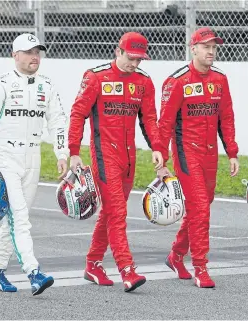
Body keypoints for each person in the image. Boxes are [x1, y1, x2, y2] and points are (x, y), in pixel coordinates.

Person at [68, 32, 163, 292]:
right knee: (118, 212)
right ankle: (127, 270)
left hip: (129, 157)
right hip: (103, 154)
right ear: (118, 51)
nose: (135, 64)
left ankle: (93, 264)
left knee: (110, 211)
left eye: (140, 60)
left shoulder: (144, 81)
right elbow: (78, 114)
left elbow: (150, 118)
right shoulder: (95, 76)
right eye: (131, 58)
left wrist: (157, 147)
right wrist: (74, 151)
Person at [0, 33, 69, 296]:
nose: (34, 57)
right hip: (6, 156)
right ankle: (33, 272)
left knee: (15, 218)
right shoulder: (0, 84)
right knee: (21, 218)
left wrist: (62, 153)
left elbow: (58, 121)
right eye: (28, 52)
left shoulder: (47, 85)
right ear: (15, 55)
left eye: (38, 52)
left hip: (33, 157)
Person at [157, 27, 239, 288]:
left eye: (214, 47)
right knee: (201, 208)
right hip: (186, 151)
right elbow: (165, 123)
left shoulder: (220, 79)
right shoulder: (177, 81)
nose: (211, 51)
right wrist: (162, 157)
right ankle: (201, 268)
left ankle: (176, 255)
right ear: (193, 49)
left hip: (211, 153)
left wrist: (232, 152)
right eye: (206, 47)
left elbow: (226, 118)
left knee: (201, 207)